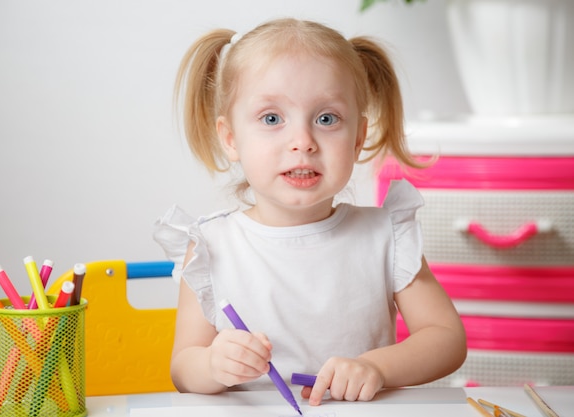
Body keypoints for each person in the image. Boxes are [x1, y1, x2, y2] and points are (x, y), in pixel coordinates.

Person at [154, 18, 466, 406]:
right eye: (272, 119)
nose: (303, 142)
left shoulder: (387, 235)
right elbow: (183, 368)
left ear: (357, 138)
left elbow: (446, 338)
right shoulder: (210, 247)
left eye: (326, 119)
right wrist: (214, 365)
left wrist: (379, 367)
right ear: (230, 139)